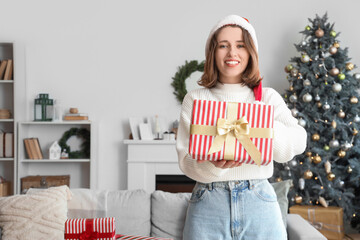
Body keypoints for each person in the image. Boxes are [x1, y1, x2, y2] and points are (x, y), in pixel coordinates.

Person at [176, 15, 307, 240]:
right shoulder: (196, 99)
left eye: (240, 45)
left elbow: (299, 141)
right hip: (208, 204)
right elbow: (187, 163)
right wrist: (214, 166)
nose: (232, 53)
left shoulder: (266, 97)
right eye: (223, 46)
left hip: (260, 202)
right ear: (212, 53)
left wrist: (261, 129)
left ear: (251, 52)